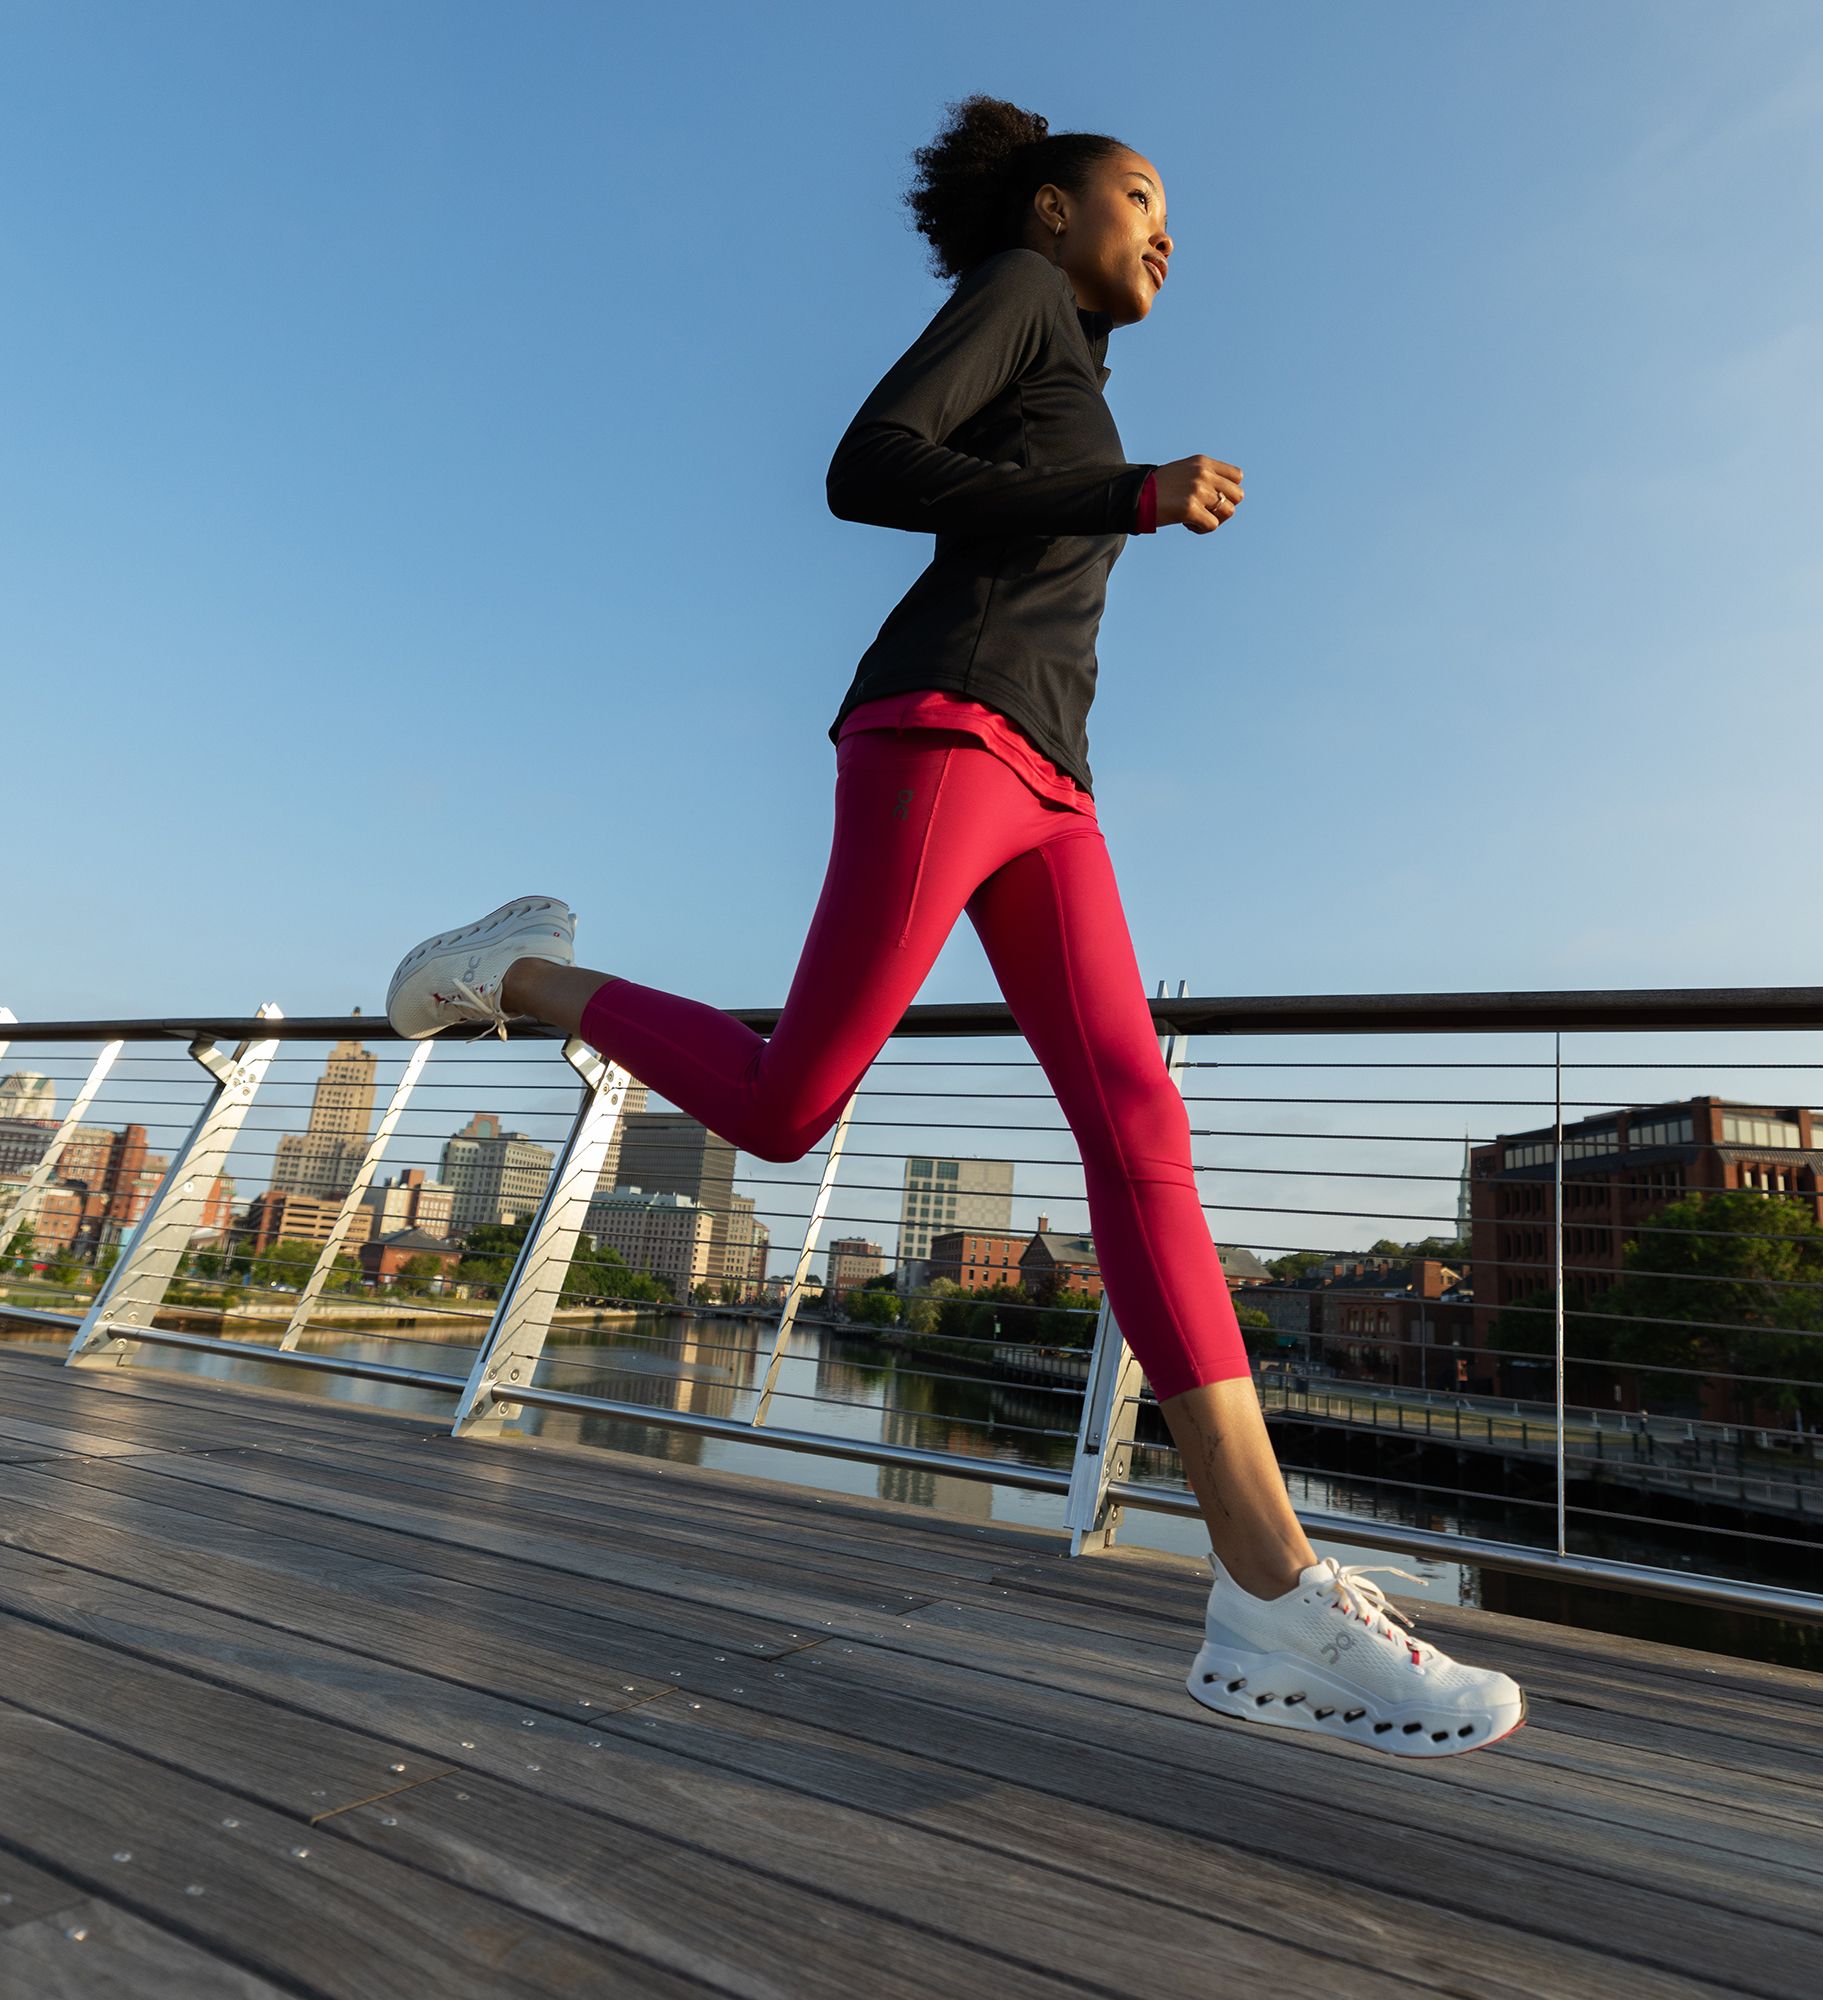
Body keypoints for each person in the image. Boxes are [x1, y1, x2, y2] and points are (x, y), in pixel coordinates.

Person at [383, 94, 1523, 1758]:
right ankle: (516, 969)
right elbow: (864, 465)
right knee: (788, 1112)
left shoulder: (1078, 351)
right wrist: (1127, 496)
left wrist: (1104, 490)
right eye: (1140, 200)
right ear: (1052, 210)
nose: (1168, 235)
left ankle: (1267, 1593)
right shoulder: (1019, 295)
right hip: (944, 731)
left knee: (1144, 1122)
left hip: (1052, 778)